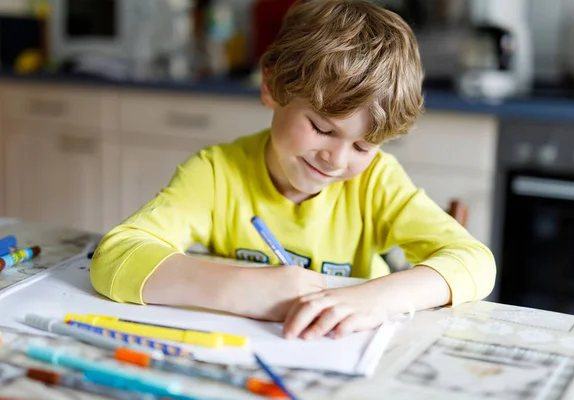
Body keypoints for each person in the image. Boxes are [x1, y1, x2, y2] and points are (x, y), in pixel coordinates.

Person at [90, 0, 496, 341]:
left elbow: (475, 261)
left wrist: (375, 299)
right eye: (321, 128)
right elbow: (114, 257)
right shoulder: (216, 175)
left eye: (362, 146)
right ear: (272, 86)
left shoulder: (376, 183)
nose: (336, 160)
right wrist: (239, 289)